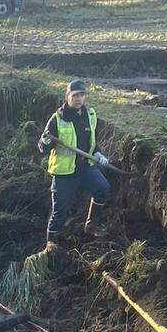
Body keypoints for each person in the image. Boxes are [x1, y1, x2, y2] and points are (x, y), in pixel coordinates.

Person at [37, 80, 112, 248]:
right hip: (64, 173)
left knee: (103, 188)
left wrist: (98, 153)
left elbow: (93, 141)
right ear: (67, 97)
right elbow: (42, 147)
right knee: (60, 212)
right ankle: (51, 244)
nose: (79, 99)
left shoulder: (90, 114)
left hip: (85, 167)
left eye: (82, 95)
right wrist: (45, 141)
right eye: (75, 95)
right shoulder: (57, 119)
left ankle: (91, 225)